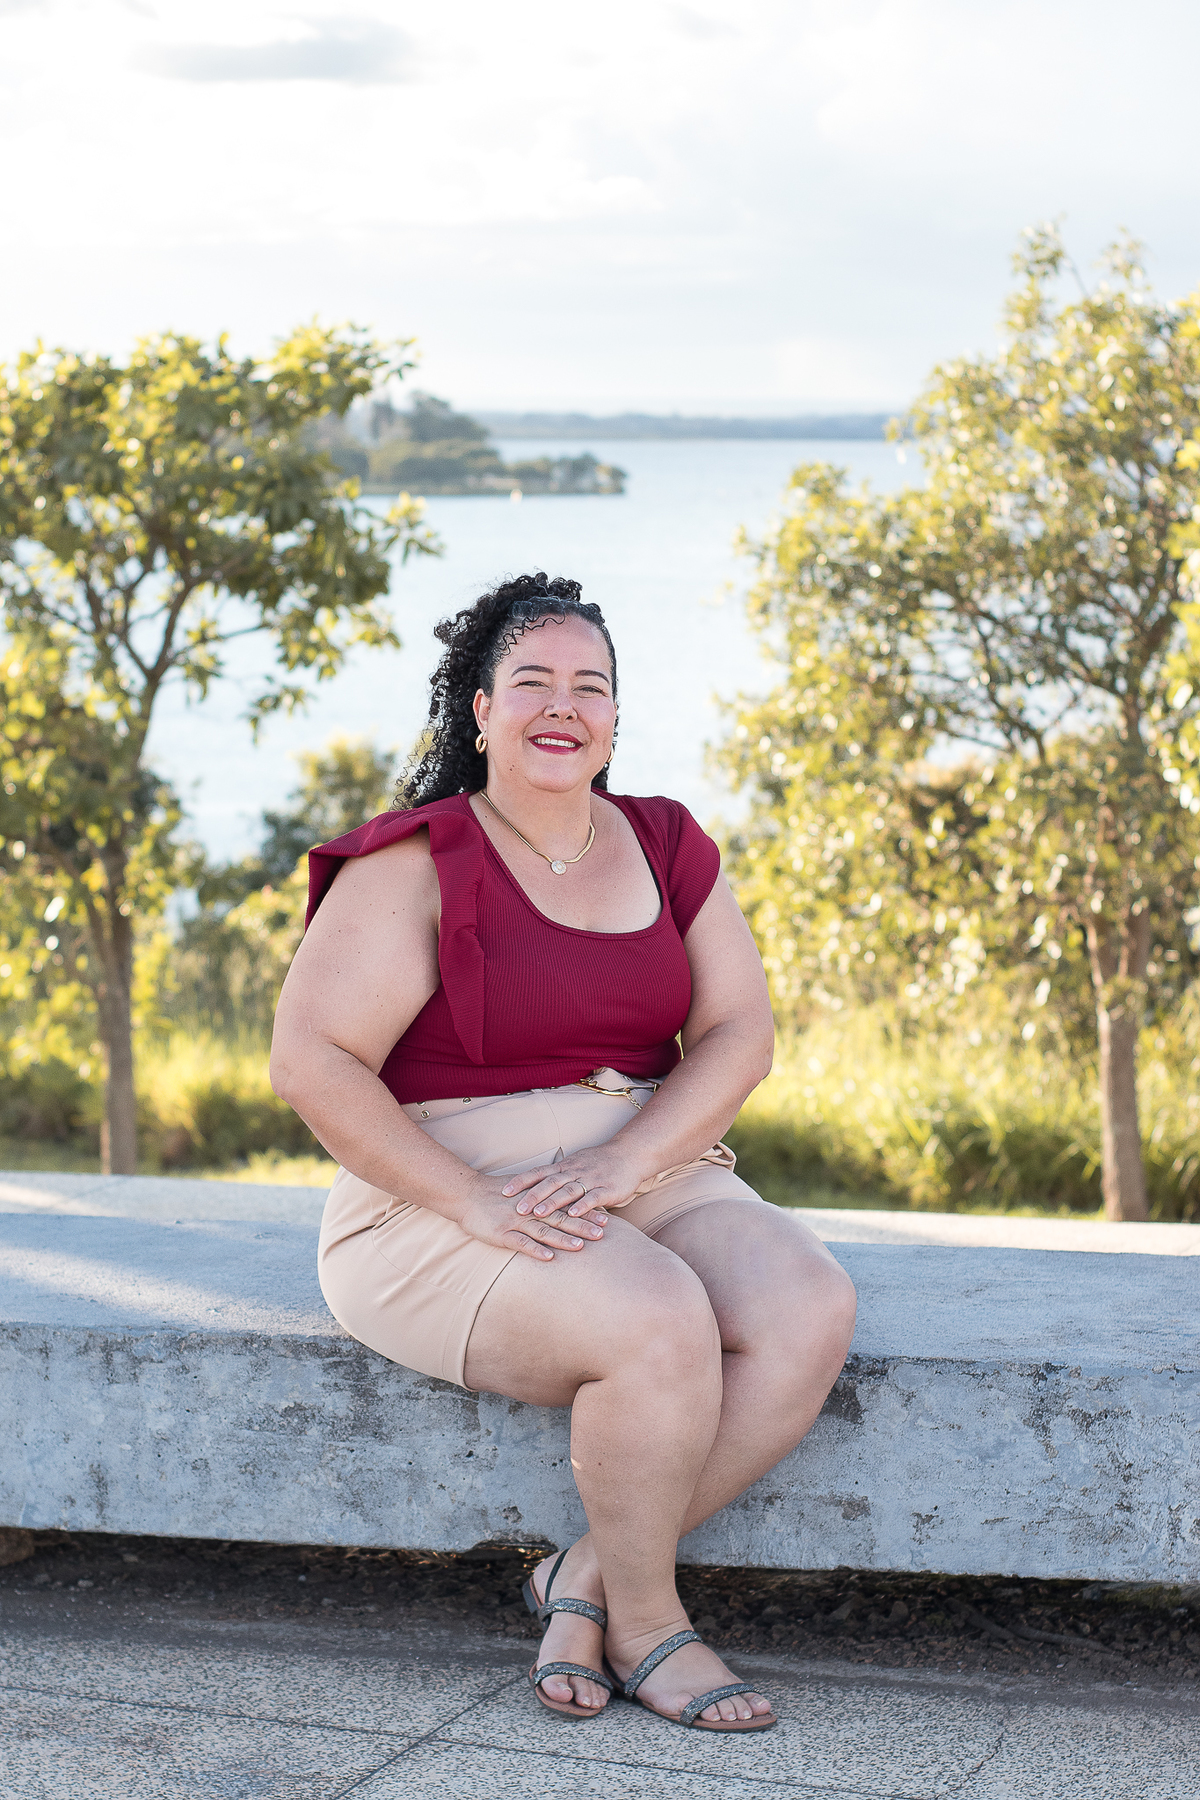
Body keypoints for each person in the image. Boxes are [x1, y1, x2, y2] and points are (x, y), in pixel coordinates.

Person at [271, 572, 856, 1734]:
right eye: (532, 681)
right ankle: (648, 1621)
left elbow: (741, 1036)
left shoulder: (668, 842)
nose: (563, 705)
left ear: (615, 717)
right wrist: (472, 1202)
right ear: (481, 709)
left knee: (808, 1305)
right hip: (443, 1199)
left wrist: (630, 1162)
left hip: (645, 1161)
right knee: (655, 1319)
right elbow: (312, 1062)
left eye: (590, 686)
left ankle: (580, 1578)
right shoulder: (415, 863)